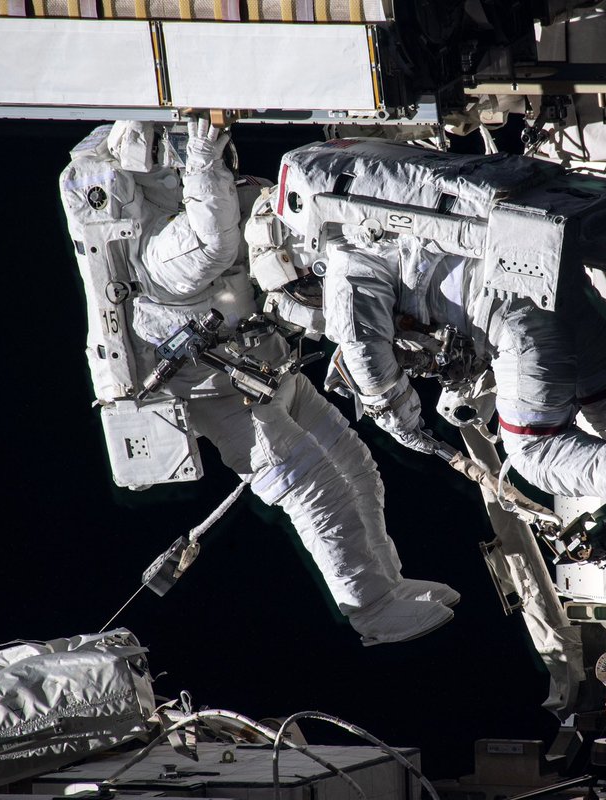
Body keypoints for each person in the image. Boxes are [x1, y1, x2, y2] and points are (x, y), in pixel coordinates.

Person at [249, 138, 606, 572]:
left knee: (532, 452)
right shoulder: (392, 217)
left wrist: (401, 420)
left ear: (302, 257)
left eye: (301, 289)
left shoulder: (345, 263)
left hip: (516, 316)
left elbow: (363, 355)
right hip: (557, 283)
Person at [58, 119, 458, 646]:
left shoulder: (197, 208)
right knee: (317, 493)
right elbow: (213, 243)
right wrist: (200, 157)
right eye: (172, 150)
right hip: (228, 400)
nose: (194, 155)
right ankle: (371, 613)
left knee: (356, 468)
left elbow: (259, 243)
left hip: (265, 373)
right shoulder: (155, 255)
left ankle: (389, 585)